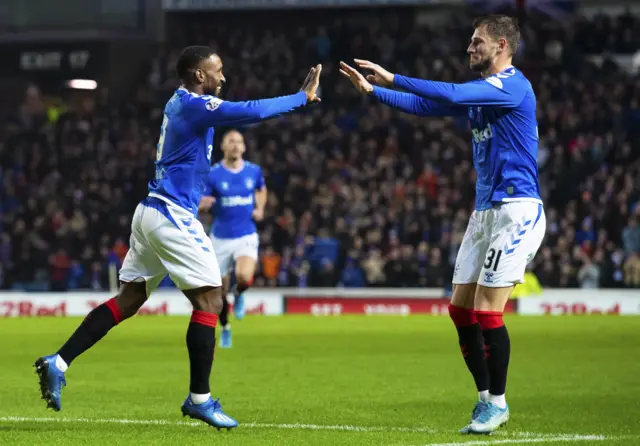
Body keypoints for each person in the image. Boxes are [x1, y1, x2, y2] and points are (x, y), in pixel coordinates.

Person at [34, 45, 322, 430]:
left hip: (151, 211)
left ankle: (59, 361)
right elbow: (251, 111)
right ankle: (199, 400)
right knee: (210, 299)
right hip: (170, 214)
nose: (224, 77)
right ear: (199, 75)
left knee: (130, 298)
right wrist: (301, 98)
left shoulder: (181, 104)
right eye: (217, 70)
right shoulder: (194, 106)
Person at [340, 15, 545, 434]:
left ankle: (499, 403)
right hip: (485, 210)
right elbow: (427, 105)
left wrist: (393, 75)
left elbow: (448, 92)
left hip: (516, 209)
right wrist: (374, 91)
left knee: (488, 310)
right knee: (459, 309)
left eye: (476, 42)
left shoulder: (512, 86)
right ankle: (486, 398)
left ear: (501, 45)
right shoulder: (481, 94)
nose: (469, 49)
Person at [199, 130, 266, 348]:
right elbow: (200, 199)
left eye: (239, 142)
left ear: (244, 147)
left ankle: (239, 294)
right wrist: (203, 203)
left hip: (245, 233)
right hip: (220, 238)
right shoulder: (213, 174)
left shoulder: (253, 171)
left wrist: (260, 208)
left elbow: (261, 190)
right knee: (218, 293)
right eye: (231, 142)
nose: (236, 145)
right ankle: (226, 328)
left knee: (244, 276)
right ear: (223, 147)